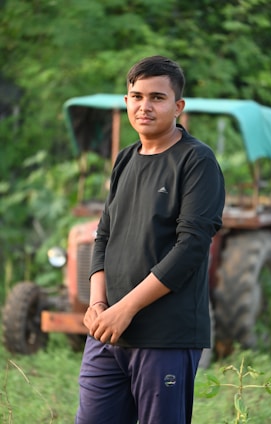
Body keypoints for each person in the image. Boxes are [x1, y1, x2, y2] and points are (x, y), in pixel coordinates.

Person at [75, 55, 225, 424]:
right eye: (136, 96)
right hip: (107, 333)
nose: (145, 106)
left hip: (164, 337)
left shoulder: (196, 161)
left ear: (178, 106)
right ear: (126, 101)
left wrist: (125, 308)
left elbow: (190, 247)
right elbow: (103, 236)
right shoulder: (125, 159)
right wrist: (98, 304)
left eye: (157, 97)